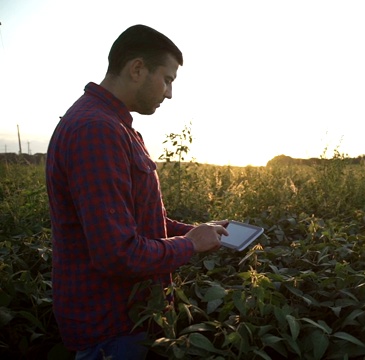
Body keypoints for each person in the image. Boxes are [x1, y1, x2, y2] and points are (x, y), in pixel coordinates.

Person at [45, 24, 228, 359]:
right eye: (168, 79)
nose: (169, 93)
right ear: (137, 69)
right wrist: (189, 245)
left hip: (126, 324)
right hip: (112, 329)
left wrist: (199, 233)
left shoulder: (113, 126)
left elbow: (134, 220)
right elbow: (117, 253)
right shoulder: (97, 130)